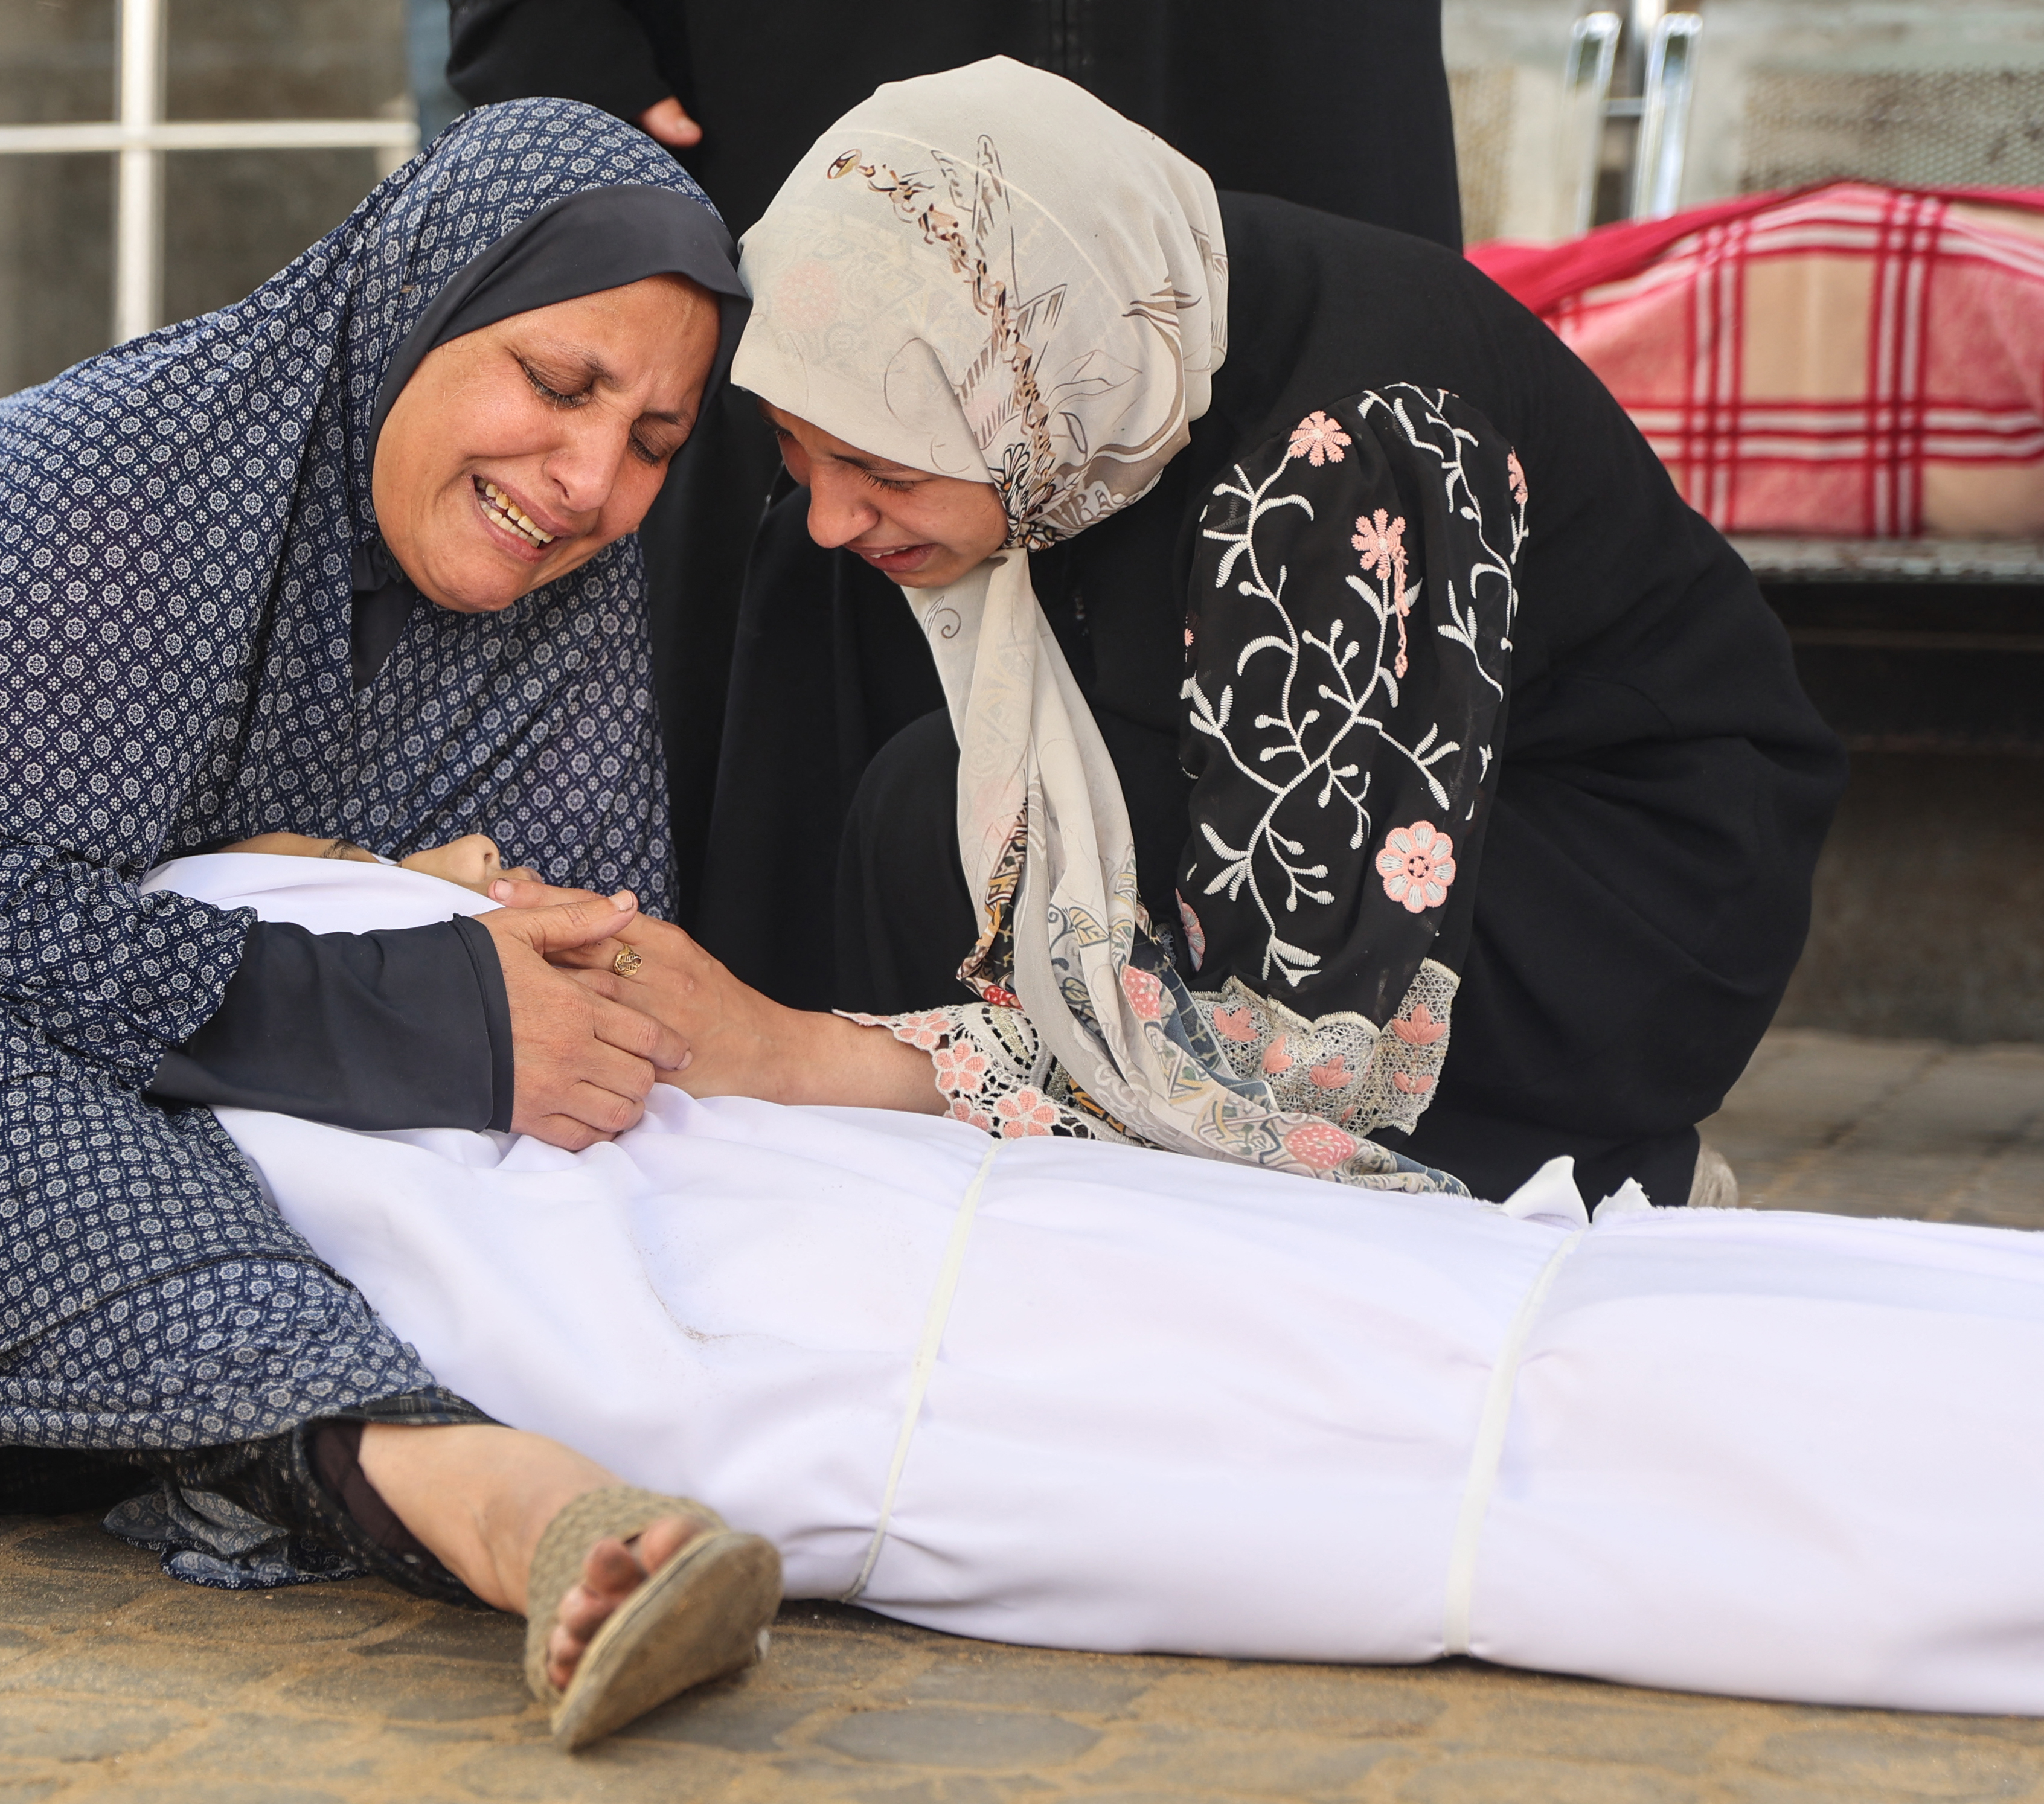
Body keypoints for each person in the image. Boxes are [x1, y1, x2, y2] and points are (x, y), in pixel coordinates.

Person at [0, 98, 783, 1752]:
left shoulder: (563, 566)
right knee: (2, 1092)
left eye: (659, 441)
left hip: (105, 1069)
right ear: (426, 306)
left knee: (397, 1143)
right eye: (556, 383)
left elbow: (561, 973)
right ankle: (508, 1509)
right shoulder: (136, 478)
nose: (595, 477)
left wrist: (508, 981)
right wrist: (406, 967)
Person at [146, 843, 2044, 1720]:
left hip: (960, 1240)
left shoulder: (320, 927)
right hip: (888, 1329)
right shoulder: (215, 1106)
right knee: (1486, 1421)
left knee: (1512, 1349)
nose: (489, 859)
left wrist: (779, 1064)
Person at [685, 59, 1847, 1204]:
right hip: (1383, 776)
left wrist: (825, 1063)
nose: (831, 514)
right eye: (797, 446)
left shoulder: (1332, 470)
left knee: (970, 827)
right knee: (947, 810)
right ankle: (1011, 1198)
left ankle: (1543, 1171)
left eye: (878, 467)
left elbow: (1302, 1044)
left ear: (1031, 398)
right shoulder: (1091, 298)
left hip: (1604, 892)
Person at [446, 0, 1467, 908]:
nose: (832, 508)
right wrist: (554, 46)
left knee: (1288, 575)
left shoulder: (1380, 380)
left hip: (1249, 67)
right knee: (835, 514)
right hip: (812, 70)